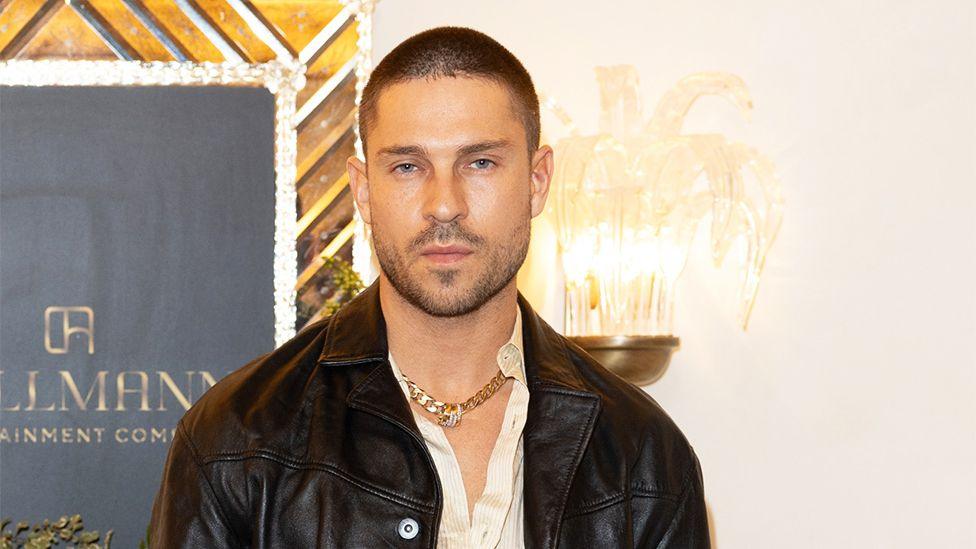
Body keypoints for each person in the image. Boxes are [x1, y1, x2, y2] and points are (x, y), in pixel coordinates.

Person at [149, 26, 709, 548]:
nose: (445, 204)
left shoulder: (643, 455)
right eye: (408, 167)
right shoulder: (235, 439)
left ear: (537, 182)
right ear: (364, 191)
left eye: (480, 162)